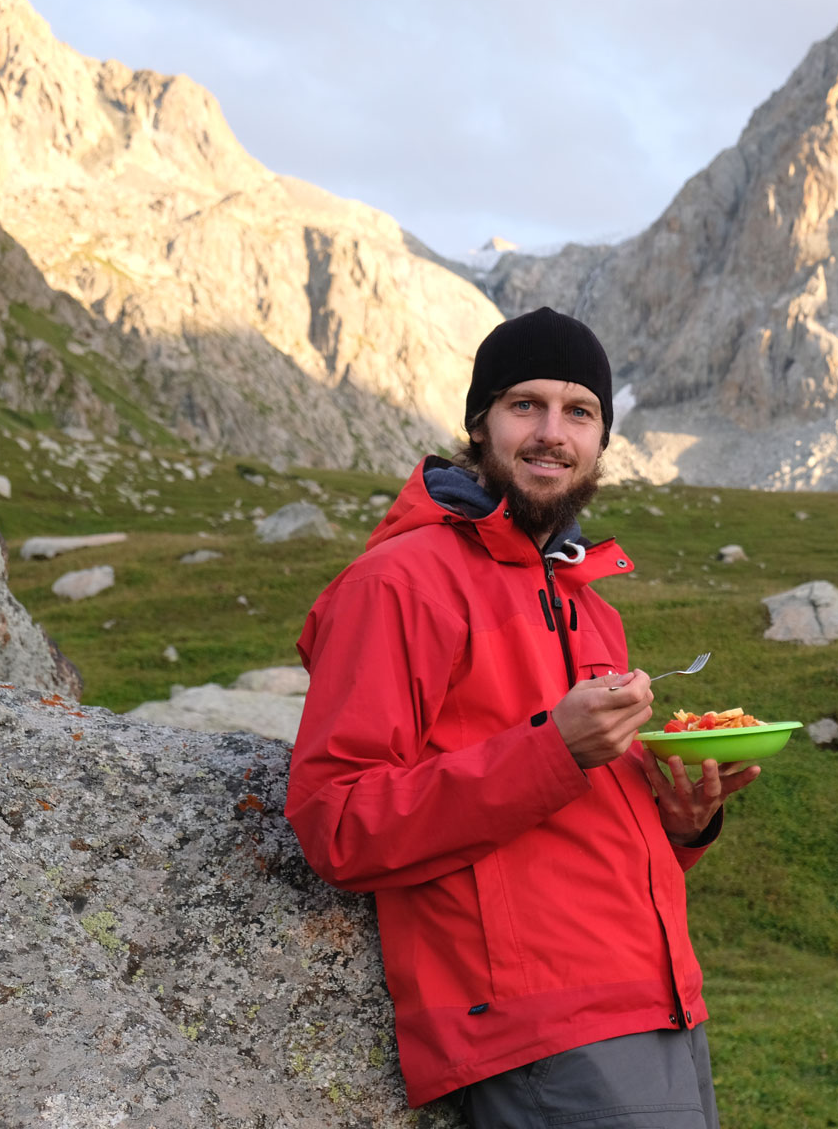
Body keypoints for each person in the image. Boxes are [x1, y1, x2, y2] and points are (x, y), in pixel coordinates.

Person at [285, 307, 758, 1127]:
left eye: (579, 412)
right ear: (479, 424)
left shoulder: (585, 601)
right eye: (524, 405)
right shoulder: (399, 583)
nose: (552, 433)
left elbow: (578, 833)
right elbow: (338, 821)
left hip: (657, 1002)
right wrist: (554, 750)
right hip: (536, 1027)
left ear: (602, 439)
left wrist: (681, 828)